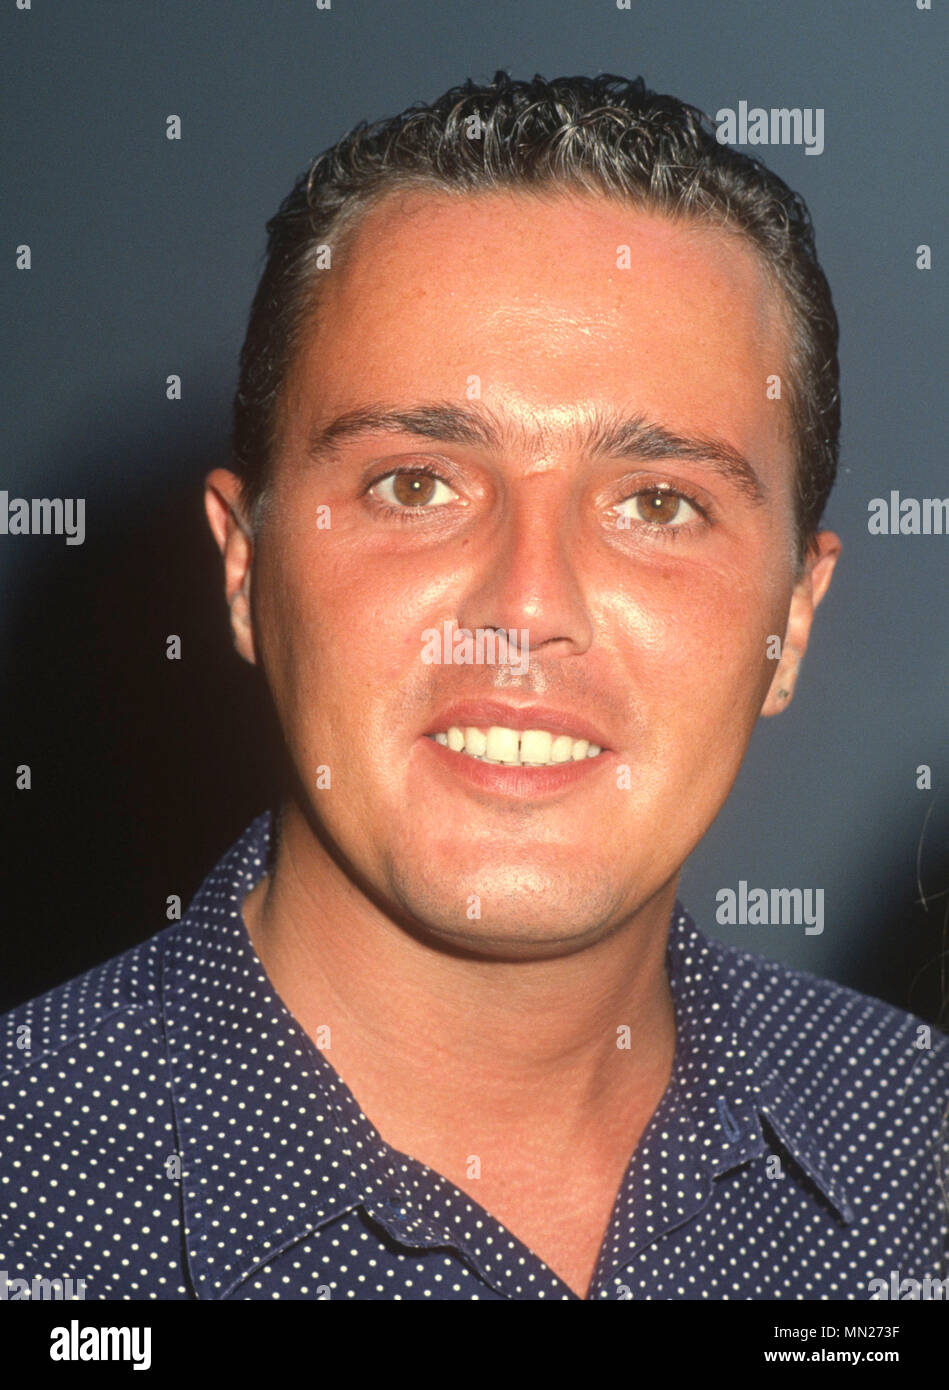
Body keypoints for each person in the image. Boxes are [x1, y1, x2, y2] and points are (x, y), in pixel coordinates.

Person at [2, 71, 946, 1301]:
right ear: (243, 569)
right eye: (416, 484)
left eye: (658, 503)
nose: (527, 608)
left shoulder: (915, 1157)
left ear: (792, 624)